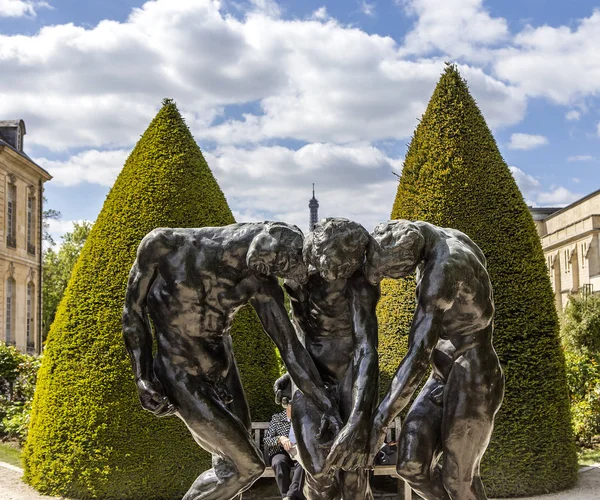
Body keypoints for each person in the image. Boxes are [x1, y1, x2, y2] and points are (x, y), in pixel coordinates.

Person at [122, 222, 340, 500]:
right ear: (261, 250)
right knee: (246, 466)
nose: (272, 277)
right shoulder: (164, 245)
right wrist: (142, 375)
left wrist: (325, 404)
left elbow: (290, 348)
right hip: (179, 371)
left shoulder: (259, 279)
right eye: (275, 268)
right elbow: (133, 311)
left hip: (224, 372)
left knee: (230, 465)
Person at [365, 220, 505, 500]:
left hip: (474, 371)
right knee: (411, 466)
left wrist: (380, 422)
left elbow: (418, 356)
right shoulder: (444, 236)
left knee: (459, 480)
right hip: (442, 373)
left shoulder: (441, 272)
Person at [276, 218, 380, 500]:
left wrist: (359, 416)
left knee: (353, 475)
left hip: (350, 374)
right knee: (318, 471)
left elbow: (366, 348)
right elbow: (298, 324)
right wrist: (293, 368)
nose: (340, 272)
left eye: (347, 265)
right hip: (311, 374)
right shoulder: (298, 276)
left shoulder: (359, 284)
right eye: (336, 264)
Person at [264, 399, 305, 500]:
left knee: (304, 463)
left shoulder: (304, 419)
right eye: (292, 407)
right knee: (279, 462)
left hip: (299, 451)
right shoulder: (277, 418)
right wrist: (280, 438)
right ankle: (286, 496)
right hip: (281, 451)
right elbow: (267, 440)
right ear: (287, 407)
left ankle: (291, 495)